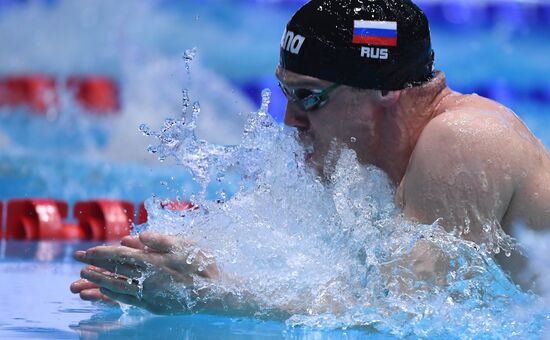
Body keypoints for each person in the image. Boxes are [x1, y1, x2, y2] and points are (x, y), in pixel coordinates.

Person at [70, 0, 550, 314]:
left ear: (385, 88)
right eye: (285, 94)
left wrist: (217, 295)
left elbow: (404, 317)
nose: (291, 121)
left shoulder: (463, 140)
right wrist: (174, 273)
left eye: (310, 98)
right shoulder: (385, 165)